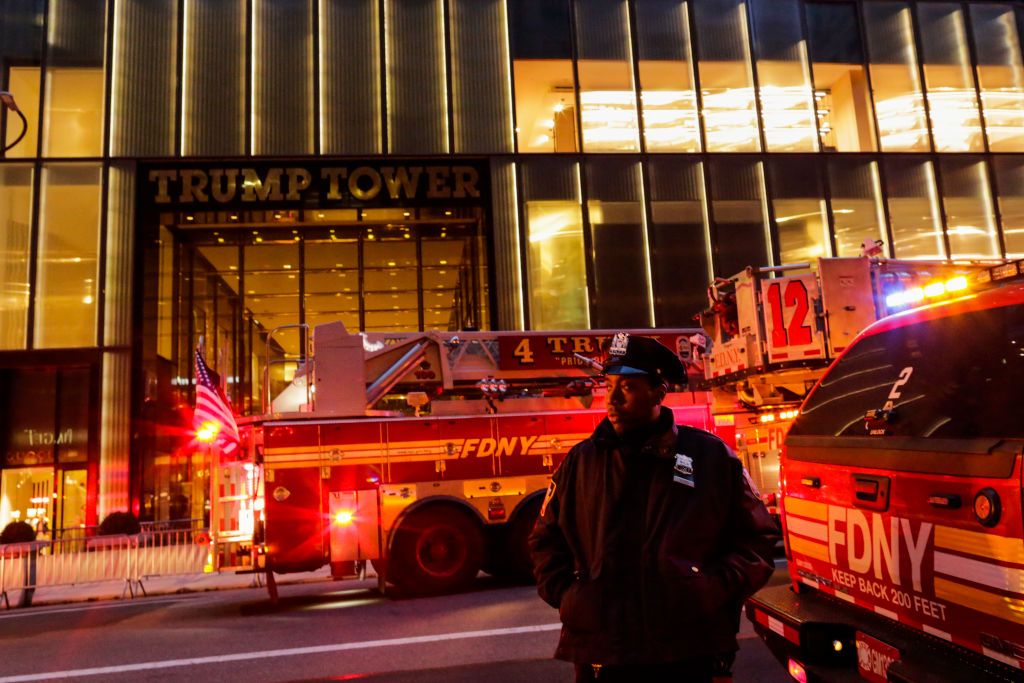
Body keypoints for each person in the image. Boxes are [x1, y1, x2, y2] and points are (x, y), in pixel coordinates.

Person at [529, 333, 779, 682]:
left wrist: (709, 592)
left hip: (689, 651)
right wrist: (571, 597)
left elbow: (757, 540)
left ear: (659, 393)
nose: (612, 399)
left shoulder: (710, 458)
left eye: (628, 386)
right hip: (603, 652)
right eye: (609, 385)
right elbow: (545, 539)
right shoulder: (580, 462)